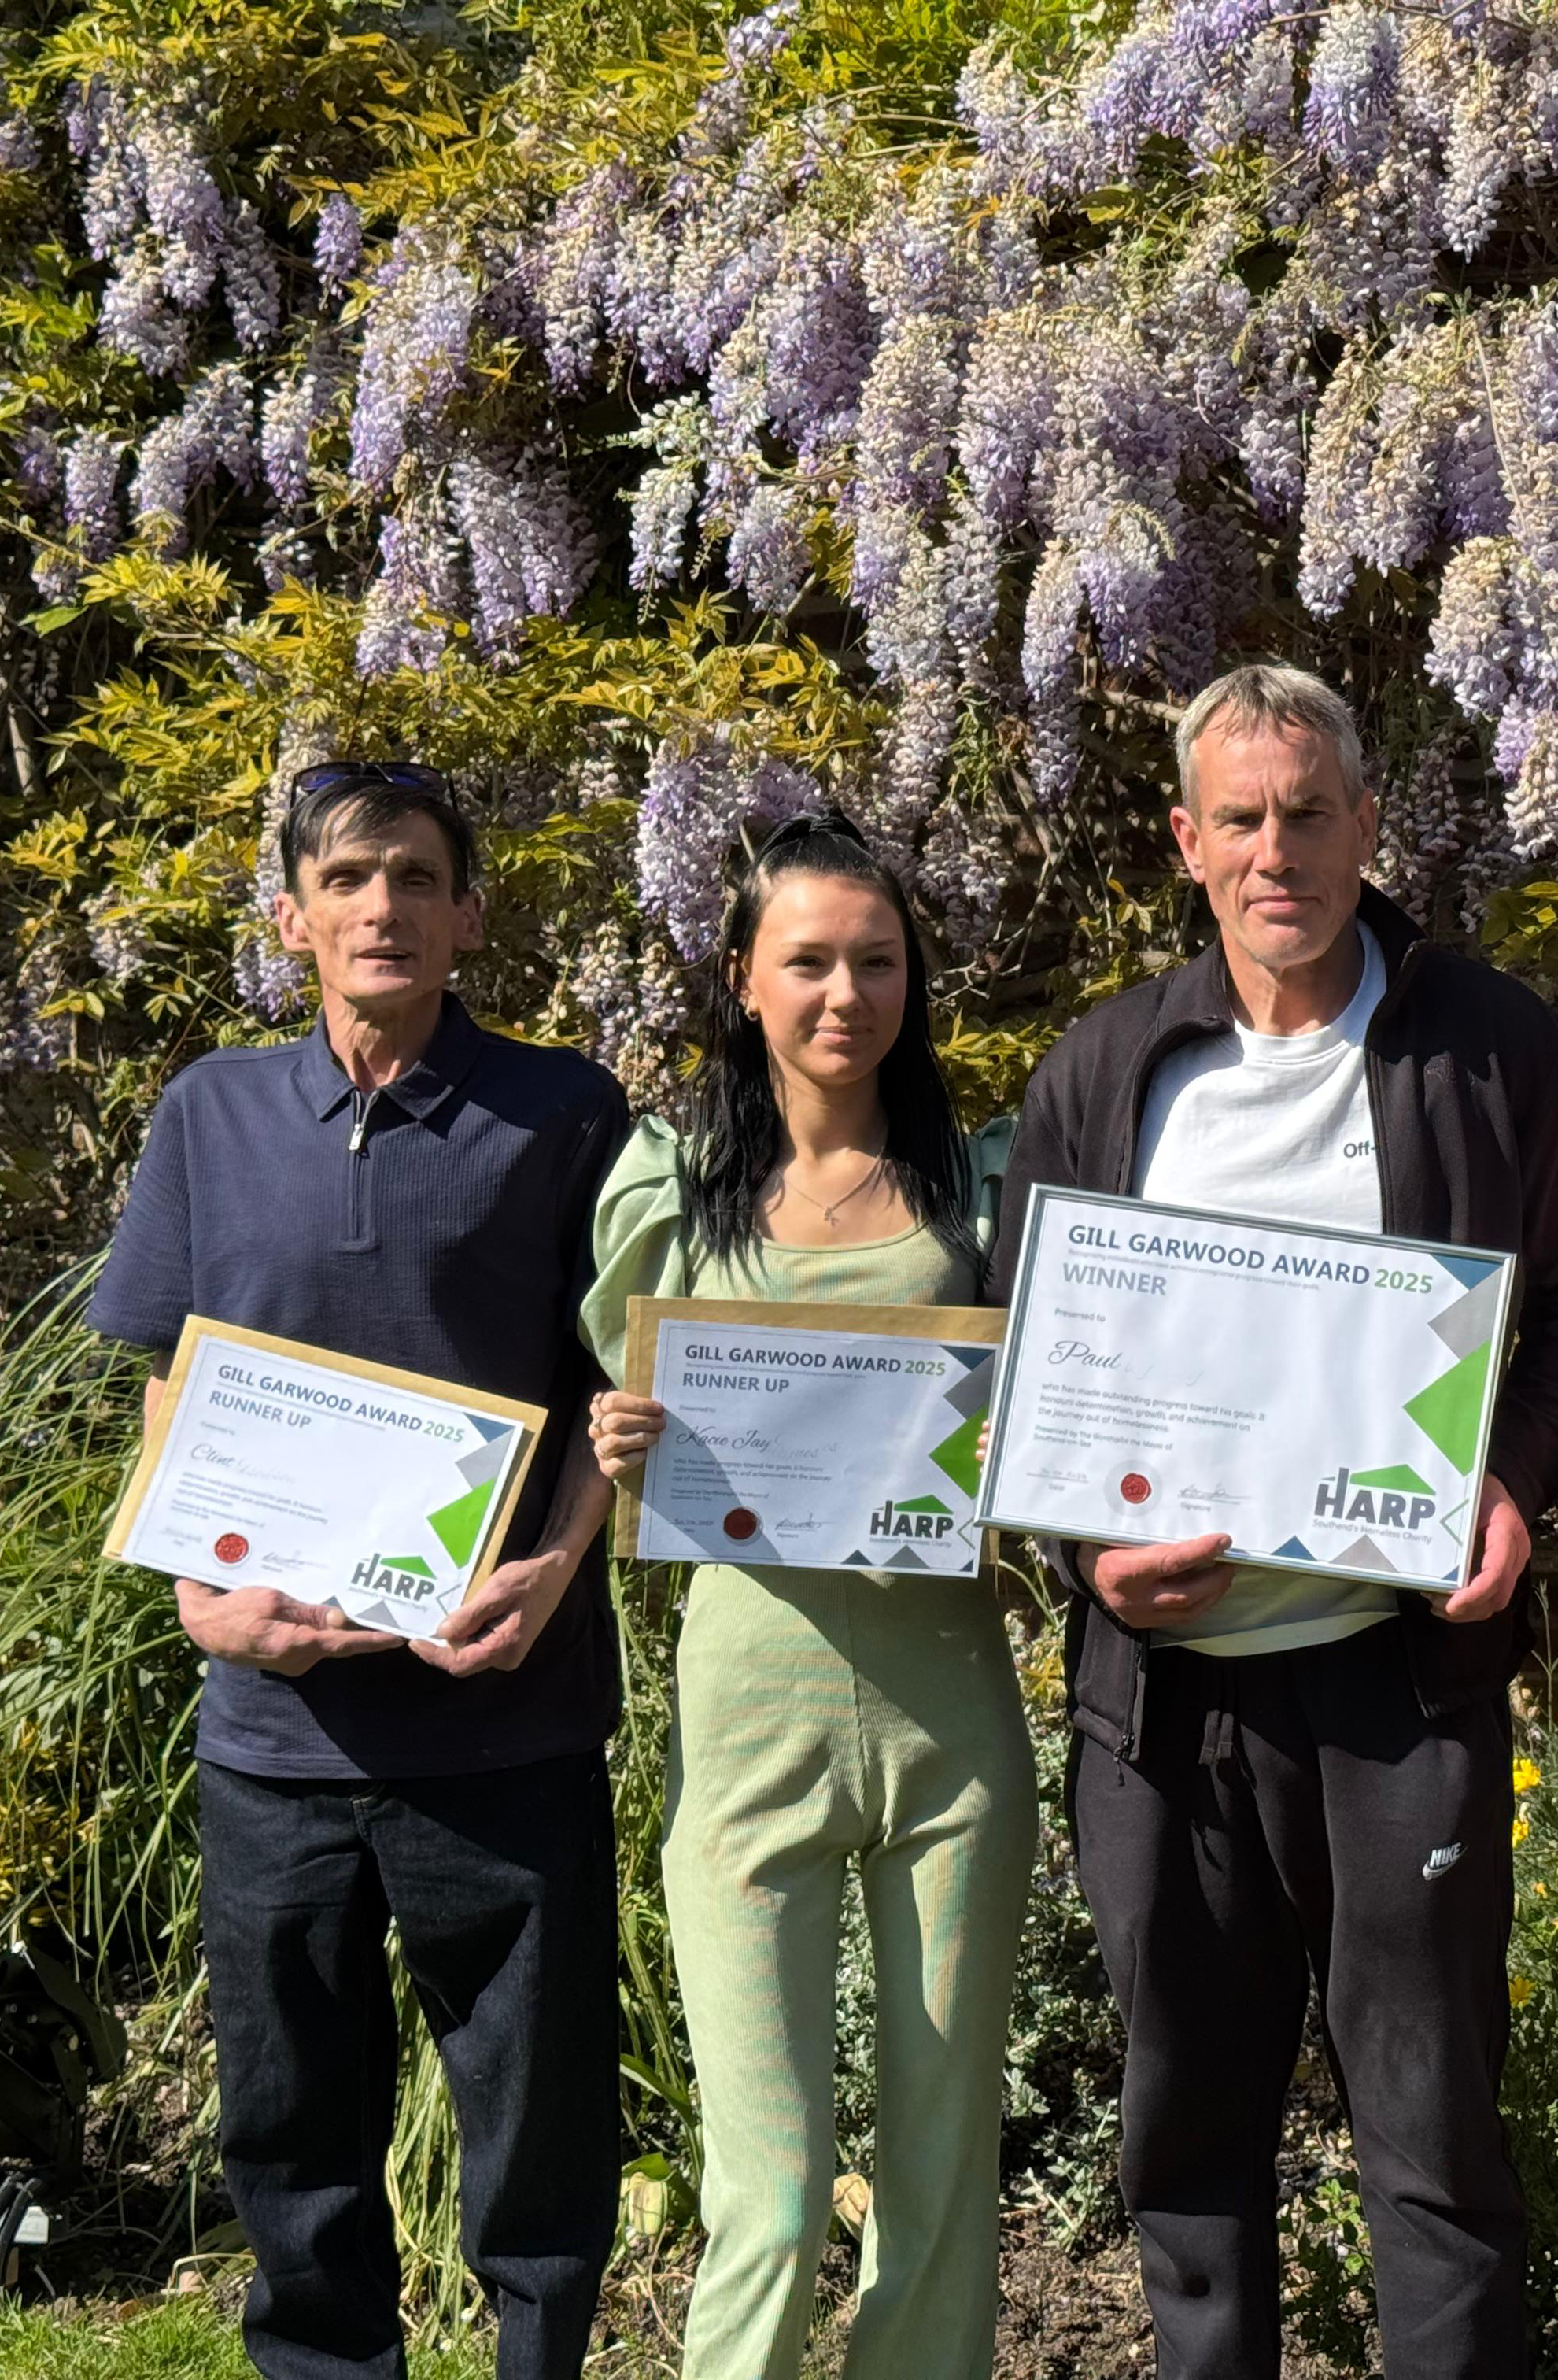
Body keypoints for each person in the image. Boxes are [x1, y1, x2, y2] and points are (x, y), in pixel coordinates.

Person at [984, 662, 1558, 2380]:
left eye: (1309, 813)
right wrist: (1086, 1554)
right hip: (1167, 1696)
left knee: (1432, 2139)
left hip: (1392, 1681)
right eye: (1243, 820)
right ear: (1187, 844)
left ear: (1368, 825)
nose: (1278, 852)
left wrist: (1514, 1481)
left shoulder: (1488, 1046)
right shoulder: (1112, 1068)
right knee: (1188, 2145)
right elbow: (1031, 1369)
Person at [89, 760, 627, 2380]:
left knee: (536, 2135)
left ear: (468, 912)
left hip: (502, 1722)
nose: (379, 905)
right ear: (292, 919)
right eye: (344, 879)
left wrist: (553, 1570)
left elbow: (626, 1396)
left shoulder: (568, 1112)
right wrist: (192, 1585)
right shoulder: (213, 1111)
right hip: (275, 1739)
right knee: (289, 2125)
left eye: (412, 876)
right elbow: (169, 1379)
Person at [578, 812, 1034, 2380]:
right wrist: (618, 1433)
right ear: (742, 979)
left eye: (879, 962)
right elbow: (624, 1421)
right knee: (765, 2191)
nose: (846, 994)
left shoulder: (985, 1187)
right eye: (810, 963)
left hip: (951, 1730)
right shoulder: (666, 1182)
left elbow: (1054, 1422)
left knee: (939, 2175)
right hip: (748, 1714)